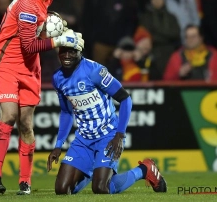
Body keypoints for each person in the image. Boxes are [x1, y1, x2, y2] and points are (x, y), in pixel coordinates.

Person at [0, 0, 84, 195]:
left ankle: (25, 181)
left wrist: (59, 25)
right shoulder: (28, 6)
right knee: (9, 115)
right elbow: (29, 45)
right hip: (7, 62)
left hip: (30, 68)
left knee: (26, 125)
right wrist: (60, 39)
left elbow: (37, 35)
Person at [47, 46, 167, 195]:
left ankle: (143, 170)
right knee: (62, 190)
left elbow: (125, 99)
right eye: (63, 51)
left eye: (72, 51)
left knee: (101, 188)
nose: (66, 55)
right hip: (83, 139)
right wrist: (58, 145)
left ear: (80, 52)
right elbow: (66, 112)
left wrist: (119, 135)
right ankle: (94, 170)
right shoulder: (57, 77)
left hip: (107, 135)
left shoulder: (94, 71)